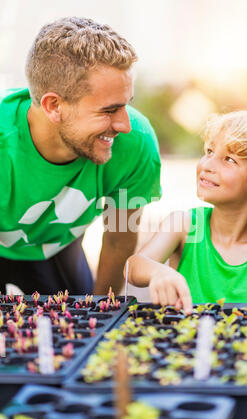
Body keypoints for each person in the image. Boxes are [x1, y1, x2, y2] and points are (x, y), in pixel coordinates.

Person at [0, 17, 161, 295]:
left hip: (57, 247)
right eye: (109, 110)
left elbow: (118, 239)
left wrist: (100, 315)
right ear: (54, 106)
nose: (125, 125)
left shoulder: (137, 143)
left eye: (126, 105)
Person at [125, 110, 247, 344]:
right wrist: (158, 271)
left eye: (229, 159)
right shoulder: (184, 226)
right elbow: (133, 268)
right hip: (184, 361)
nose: (207, 164)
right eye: (209, 151)